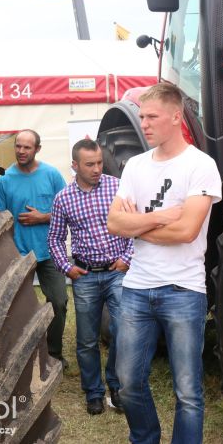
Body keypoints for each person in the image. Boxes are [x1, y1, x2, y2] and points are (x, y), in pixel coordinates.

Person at [107, 82, 222, 444]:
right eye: (141, 116)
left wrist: (137, 226)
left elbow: (188, 230)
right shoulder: (134, 166)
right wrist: (159, 219)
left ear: (176, 117)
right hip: (137, 289)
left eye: (151, 116)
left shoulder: (200, 165)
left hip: (183, 290)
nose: (144, 123)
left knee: (187, 391)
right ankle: (145, 438)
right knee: (127, 382)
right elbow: (114, 224)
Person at [47, 139, 133, 415]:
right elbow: (55, 239)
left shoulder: (116, 187)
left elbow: (133, 226)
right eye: (89, 164)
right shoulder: (64, 198)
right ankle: (94, 393)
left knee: (123, 331)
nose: (97, 169)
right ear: (75, 165)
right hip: (84, 276)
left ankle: (116, 387)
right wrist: (65, 266)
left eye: (99, 162)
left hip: (116, 272)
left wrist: (126, 258)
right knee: (86, 340)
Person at [0, 129, 68, 366]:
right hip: (18, 255)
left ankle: (53, 353)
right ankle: (22, 355)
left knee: (59, 301)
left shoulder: (52, 175)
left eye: (27, 147)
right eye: (18, 146)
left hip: (50, 251)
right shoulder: (4, 180)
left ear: (37, 149)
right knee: (18, 309)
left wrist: (43, 217)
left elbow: (68, 211)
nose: (21, 151)